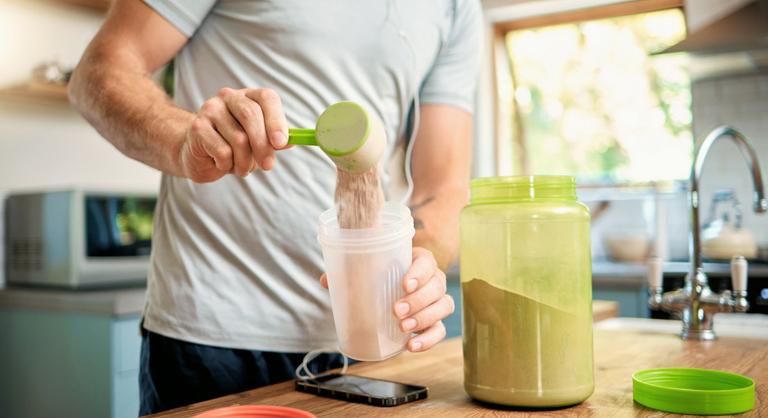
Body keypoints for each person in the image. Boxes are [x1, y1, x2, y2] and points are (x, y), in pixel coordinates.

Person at [69, 0, 482, 414]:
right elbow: (98, 72)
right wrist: (184, 141)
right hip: (211, 339)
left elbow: (444, 187)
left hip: (362, 349)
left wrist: (415, 268)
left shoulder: (456, 8)